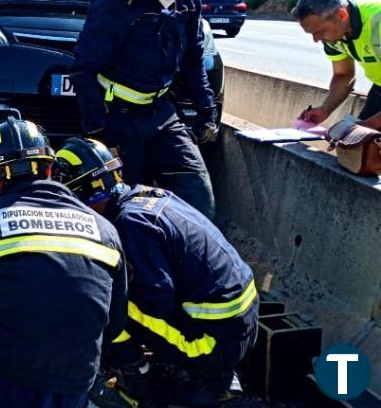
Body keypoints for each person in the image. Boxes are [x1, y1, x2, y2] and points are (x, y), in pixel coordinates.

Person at [0, 117, 128, 408]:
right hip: (78, 377)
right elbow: (115, 322)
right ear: (50, 169)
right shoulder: (105, 230)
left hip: (6, 379)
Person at [54, 137, 258, 406]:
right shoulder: (147, 196)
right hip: (238, 324)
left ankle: (137, 382)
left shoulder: (128, 226)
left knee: (100, 303)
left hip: (209, 344)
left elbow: (156, 301)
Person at [70, 0, 217, 219]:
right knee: (125, 210)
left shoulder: (188, 0)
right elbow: (83, 71)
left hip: (162, 114)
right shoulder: (115, 5)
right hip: (117, 120)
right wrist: (100, 134)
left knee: (199, 197)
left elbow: (193, 58)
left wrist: (207, 112)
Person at [293, 0, 381, 130]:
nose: (316, 39)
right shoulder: (334, 34)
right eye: (312, 34)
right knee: (358, 145)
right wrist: (325, 109)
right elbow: (343, 74)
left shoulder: (378, 21)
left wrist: (368, 126)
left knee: (364, 137)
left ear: (341, 15)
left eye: (320, 32)